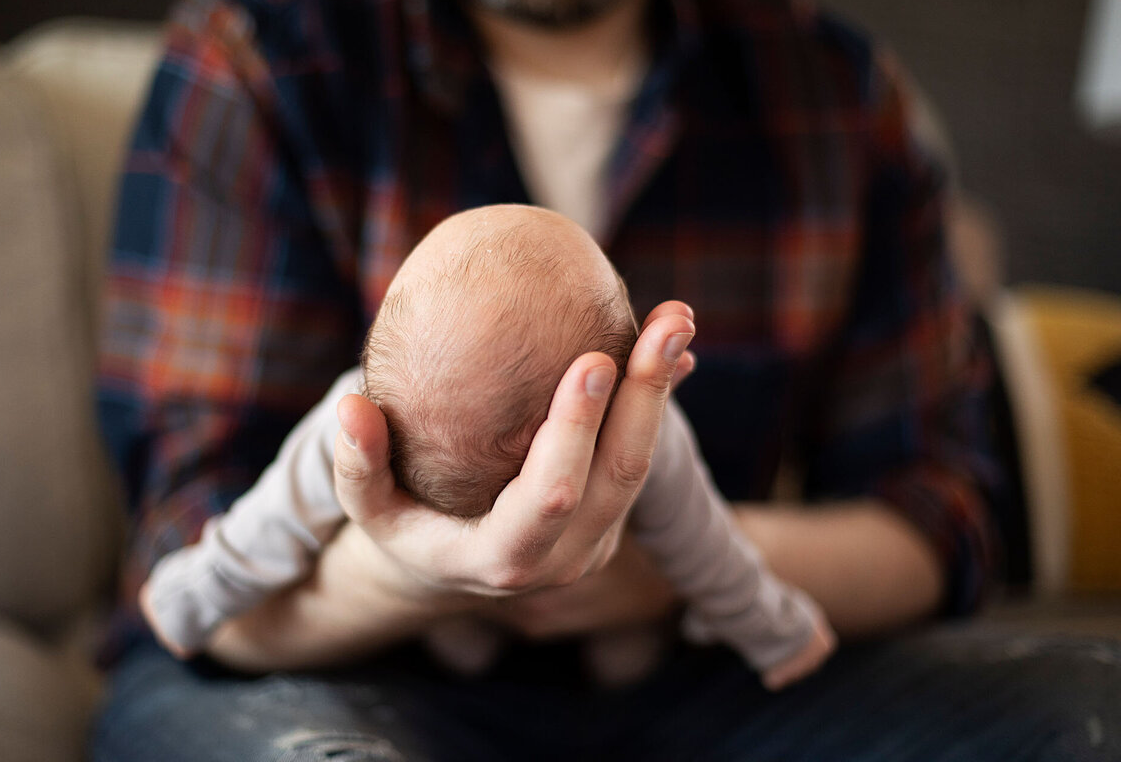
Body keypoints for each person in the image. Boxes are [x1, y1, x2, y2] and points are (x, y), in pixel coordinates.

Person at [93, 0, 1121, 759]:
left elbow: (940, 514)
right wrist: (414, 573)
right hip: (343, 671)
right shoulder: (267, 51)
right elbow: (192, 552)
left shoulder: (828, 88)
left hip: (700, 685)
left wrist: (663, 578)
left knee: (1089, 709)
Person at [138, 203, 835, 690]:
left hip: (500, 636)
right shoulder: (649, 433)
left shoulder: (351, 420)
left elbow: (263, 531)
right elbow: (711, 554)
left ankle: (480, 644)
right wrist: (781, 636)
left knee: (493, 643)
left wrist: (188, 599)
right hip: (408, 641)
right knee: (633, 654)